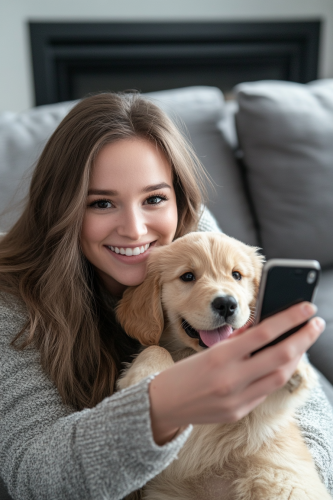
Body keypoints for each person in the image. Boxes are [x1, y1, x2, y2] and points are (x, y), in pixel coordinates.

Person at [0, 92, 332, 500]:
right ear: (61, 208)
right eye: (102, 203)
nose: (136, 230)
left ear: (179, 199)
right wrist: (164, 406)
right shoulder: (10, 294)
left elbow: (308, 390)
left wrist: (292, 471)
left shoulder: (195, 235)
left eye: (154, 198)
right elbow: (33, 474)